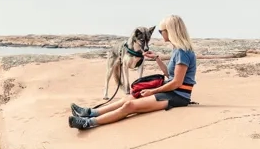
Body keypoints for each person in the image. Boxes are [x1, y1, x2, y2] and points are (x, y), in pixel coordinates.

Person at [68, 14, 198, 130]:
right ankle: (90, 112)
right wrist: (157, 58)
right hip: (170, 91)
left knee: (130, 105)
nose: (160, 33)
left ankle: (88, 122)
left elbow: (176, 82)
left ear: (170, 31)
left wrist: (152, 91)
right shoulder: (177, 49)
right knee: (129, 97)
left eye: (161, 31)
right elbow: (170, 75)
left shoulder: (182, 52)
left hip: (178, 96)